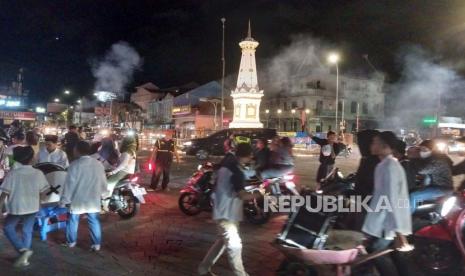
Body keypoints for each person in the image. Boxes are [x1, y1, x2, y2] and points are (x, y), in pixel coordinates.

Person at [198, 143, 265, 276]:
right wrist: (260, 194)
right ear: (249, 155)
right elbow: (242, 195)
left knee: (222, 242)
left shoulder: (229, 162)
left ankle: (203, 269)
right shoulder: (236, 171)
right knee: (235, 246)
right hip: (227, 215)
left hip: (221, 209)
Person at [362, 131, 412, 275]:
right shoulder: (384, 165)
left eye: (375, 142)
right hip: (385, 220)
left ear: (385, 146)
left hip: (387, 223)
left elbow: (392, 199)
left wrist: (398, 232)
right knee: (396, 256)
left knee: (377, 253)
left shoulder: (389, 167)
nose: (371, 145)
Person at [0, 146, 50, 267]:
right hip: (32, 207)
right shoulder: (38, 173)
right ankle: (24, 258)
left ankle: (23, 250)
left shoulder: (13, 174)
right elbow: (45, 192)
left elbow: (4, 193)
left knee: (8, 227)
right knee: (27, 230)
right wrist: (40, 200)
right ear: (31, 159)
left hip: (17, 207)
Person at [60, 141, 107, 251]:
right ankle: (96, 244)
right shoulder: (98, 164)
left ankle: (71, 242)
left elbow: (69, 185)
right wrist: (104, 194)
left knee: (73, 219)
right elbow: (103, 181)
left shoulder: (74, 165)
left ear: (77, 151)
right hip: (93, 198)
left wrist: (64, 200)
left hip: (78, 198)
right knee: (94, 220)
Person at [409, 139, 453, 213]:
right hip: (434, 185)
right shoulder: (432, 158)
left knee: (414, 196)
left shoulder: (438, 160)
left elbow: (422, 170)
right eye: (420, 149)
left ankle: (407, 218)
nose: (421, 151)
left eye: (424, 149)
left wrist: (414, 157)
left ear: (432, 150)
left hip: (443, 188)